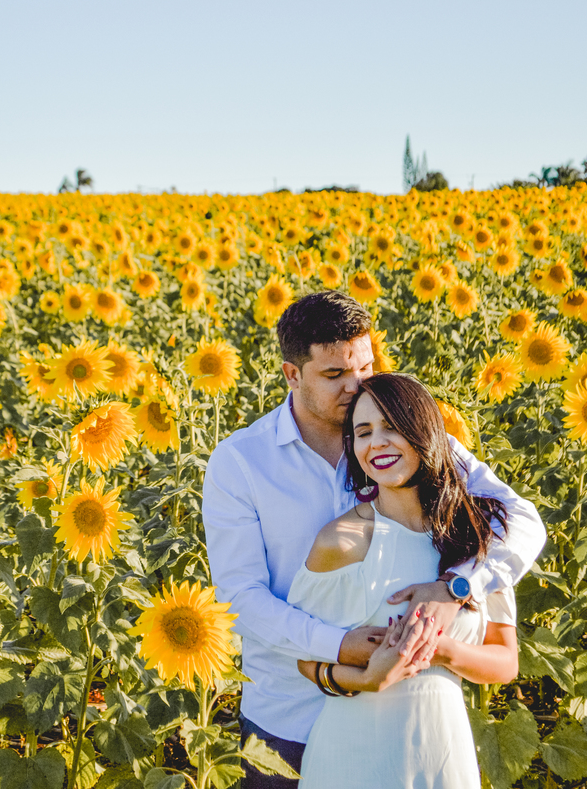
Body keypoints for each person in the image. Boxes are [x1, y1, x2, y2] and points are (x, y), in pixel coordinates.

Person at [202, 291, 545, 788]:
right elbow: (240, 598)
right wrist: (341, 647)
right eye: (335, 374)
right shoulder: (241, 463)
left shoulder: (417, 442)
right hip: (292, 714)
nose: (357, 385)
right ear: (292, 374)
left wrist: (456, 587)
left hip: (401, 726)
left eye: (365, 367)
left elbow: (519, 519)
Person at [289, 372, 519, 786]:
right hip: (351, 758)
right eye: (363, 432)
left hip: (443, 754)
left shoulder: (477, 537)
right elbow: (304, 657)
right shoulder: (341, 542)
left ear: (423, 431)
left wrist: (439, 650)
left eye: (391, 427)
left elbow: (506, 662)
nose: (376, 442)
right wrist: (367, 678)